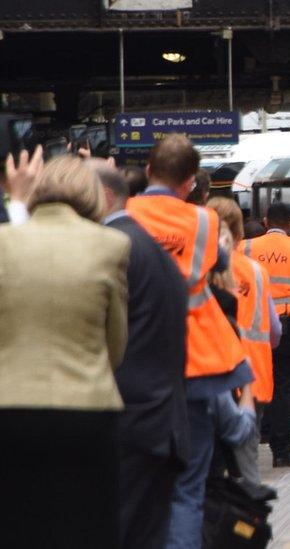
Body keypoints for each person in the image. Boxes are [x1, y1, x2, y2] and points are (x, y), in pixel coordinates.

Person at [126, 134, 253, 549]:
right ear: (190, 181)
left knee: (134, 482)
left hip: (135, 361)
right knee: (188, 486)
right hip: (195, 362)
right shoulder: (204, 222)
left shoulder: (123, 215)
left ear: (148, 171)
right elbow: (218, 262)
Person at [0, 156, 129, 548]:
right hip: (87, 409)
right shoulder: (112, 245)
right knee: (88, 525)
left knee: (17, 524)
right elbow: (116, 344)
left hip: (10, 407)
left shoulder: (4, 241)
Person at [92, 161, 191, 549]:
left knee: (121, 532)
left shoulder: (116, 249)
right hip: (160, 421)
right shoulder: (151, 249)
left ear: (103, 197)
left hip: (130, 421)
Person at [241, 202, 290, 467]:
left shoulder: (248, 247)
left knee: (252, 384)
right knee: (284, 386)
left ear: (265, 222)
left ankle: (252, 442)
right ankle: (281, 451)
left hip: (256, 325)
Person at [208, 196, 281, 483]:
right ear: (239, 233)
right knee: (246, 470)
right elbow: (274, 330)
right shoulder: (258, 272)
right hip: (253, 377)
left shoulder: (198, 267)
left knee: (208, 471)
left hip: (210, 376)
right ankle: (245, 523)